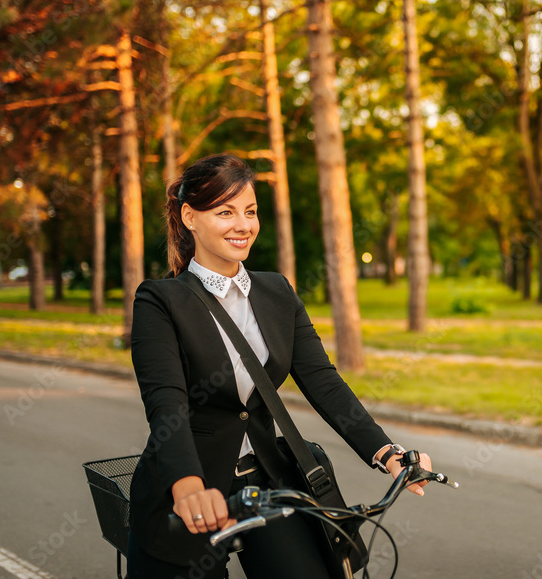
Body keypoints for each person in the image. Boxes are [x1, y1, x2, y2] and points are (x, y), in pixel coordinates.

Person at [126, 153, 431, 579]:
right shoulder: (160, 300)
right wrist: (188, 486)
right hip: (188, 486)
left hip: (266, 482)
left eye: (250, 212)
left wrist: (386, 452)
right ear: (190, 218)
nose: (243, 225)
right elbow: (166, 402)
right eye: (225, 212)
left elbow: (323, 381)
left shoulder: (276, 292)